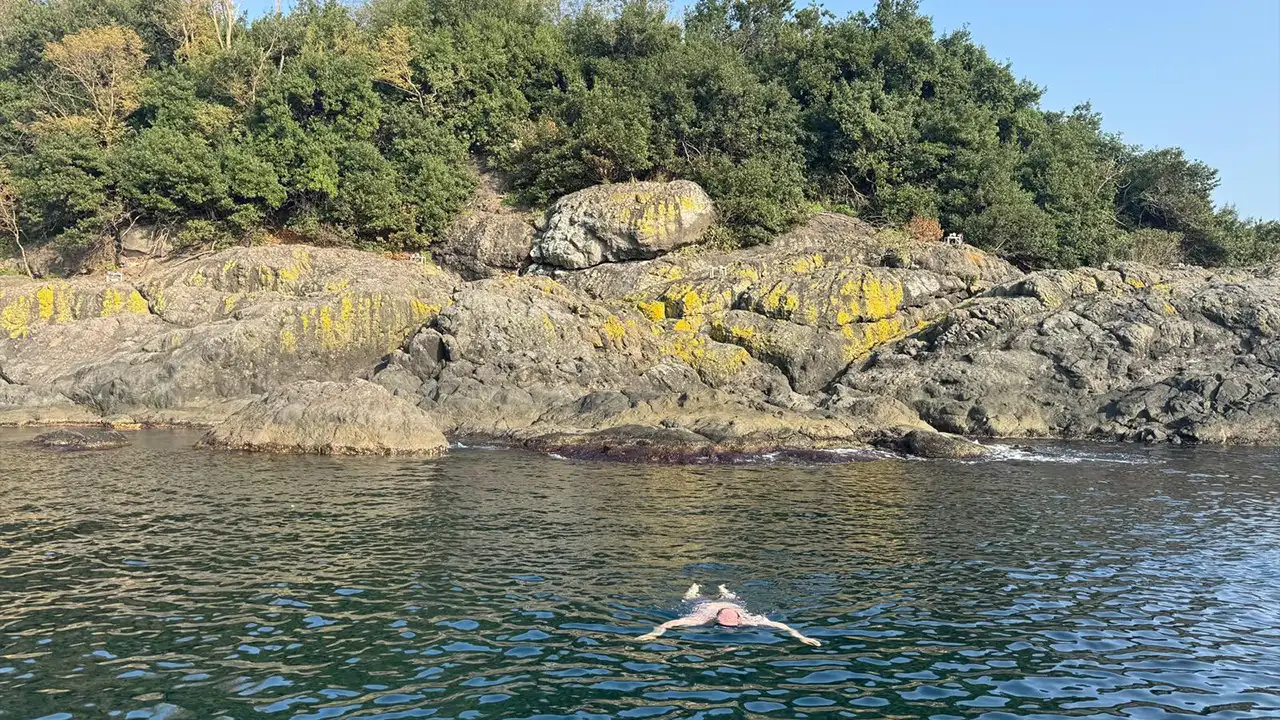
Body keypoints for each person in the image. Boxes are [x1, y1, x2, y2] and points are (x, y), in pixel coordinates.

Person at [636, 584, 821, 646]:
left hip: (732, 605)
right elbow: (669, 624)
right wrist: (655, 634)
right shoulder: (700, 618)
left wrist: (801, 637)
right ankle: (694, 588)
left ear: (739, 619)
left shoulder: (749, 619)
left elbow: (782, 626)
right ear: (715, 620)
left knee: (731, 598)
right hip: (706, 605)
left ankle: (722, 589)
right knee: (691, 598)